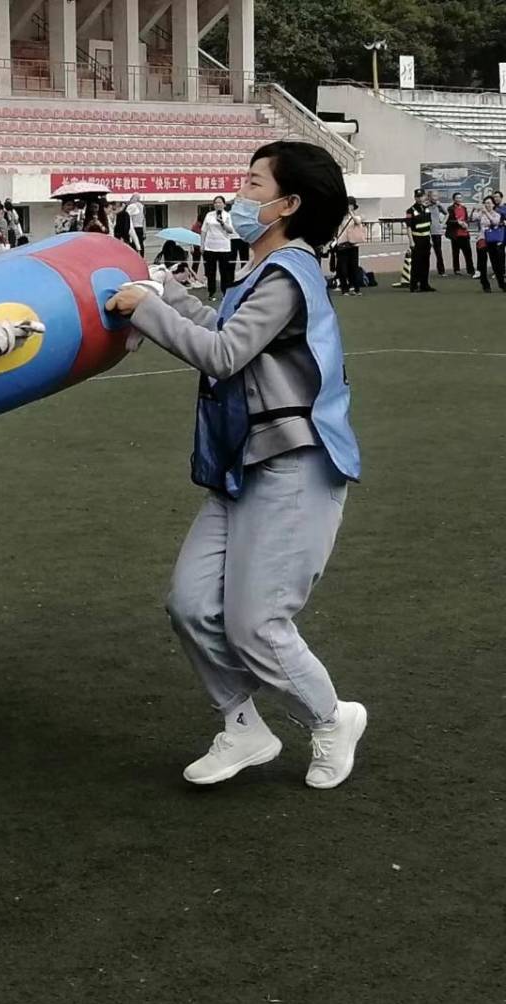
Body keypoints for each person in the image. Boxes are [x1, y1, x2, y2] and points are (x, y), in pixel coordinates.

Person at [105, 141, 366, 791]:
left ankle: (333, 719)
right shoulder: (264, 270)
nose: (240, 195)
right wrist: (164, 289)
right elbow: (221, 327)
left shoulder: (288, 273)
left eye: (253, 184)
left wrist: (147, 308)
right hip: (245, 465)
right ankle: (244, 726)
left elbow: (223, 354)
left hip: (294, 466)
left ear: (288, 204)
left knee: (257, 625)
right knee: (192, 604)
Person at [200, 195, 237, 300]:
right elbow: (203, 231)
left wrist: (222, 222)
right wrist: (202, 244)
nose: (217, 204)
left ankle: (225, 293)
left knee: (224, 272)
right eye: (216, 203)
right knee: (211, 272)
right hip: (210, 247)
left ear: (224, 204)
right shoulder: (209, 215)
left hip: (224, 248)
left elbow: (230, 230)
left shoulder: (227, 216)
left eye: (220, 202)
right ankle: (211, 293)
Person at [333, 197, 366, 296]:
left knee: (354, 267)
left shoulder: (357, 216)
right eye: (348, 205)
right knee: (343, 268)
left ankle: (356, 289)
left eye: (351, 205)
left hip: (353, 245)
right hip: (342, 245)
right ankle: (345, 289)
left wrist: (351, 213)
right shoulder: (340, 217)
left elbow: (358, 221)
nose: (349, 207)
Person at [473, 195, 505, 293]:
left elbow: (495, 222)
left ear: (493, 204)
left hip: (493, 240)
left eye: (489, 203)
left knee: (496, 263)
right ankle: (485, 285)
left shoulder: (497, 214)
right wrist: (476, 209)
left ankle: (501, 284)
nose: (487, 205)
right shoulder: (481, 214)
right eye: (486, 203)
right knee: (482, 263)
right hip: (482, 239)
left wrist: (486, 213)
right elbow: (473, 218)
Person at [405, 188, 435, 293]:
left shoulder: (426, 209)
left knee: (426, 263)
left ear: (424, 197)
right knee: (416, 263)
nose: (420, 198)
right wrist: (411, 241)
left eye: (421, 196)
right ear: (415, 198)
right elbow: (408, 227)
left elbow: (429, 225)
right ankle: (414, 285)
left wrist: (430, 239)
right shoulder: (410, 211)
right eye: (418, 197)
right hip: (417, 239)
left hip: (426, 239)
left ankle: (424, 284)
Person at [445, 192, 474, 277]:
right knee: (456, 253)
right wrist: (457, 222)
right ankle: (456, 270)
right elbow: (448, 221)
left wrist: (466, 224)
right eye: (457, 198)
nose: (458, 199)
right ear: (454, 199)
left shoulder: (464, 208)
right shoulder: (450, 209)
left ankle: (470, 270)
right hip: (455, 235)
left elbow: (466, 219)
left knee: (468, 253)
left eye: (460, 198)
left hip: (465, 234)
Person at [426, 190, 447, 276]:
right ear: (429, 197)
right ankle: (424, 271)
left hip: (436, 231)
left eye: (436, 196)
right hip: (426, 231)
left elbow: (447, 214)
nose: (435, 198)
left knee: (438, 252)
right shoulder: (425, 206)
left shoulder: (439, 205)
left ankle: (441, 271)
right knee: (426, 252)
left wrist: (442, 224)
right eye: (433, 196)